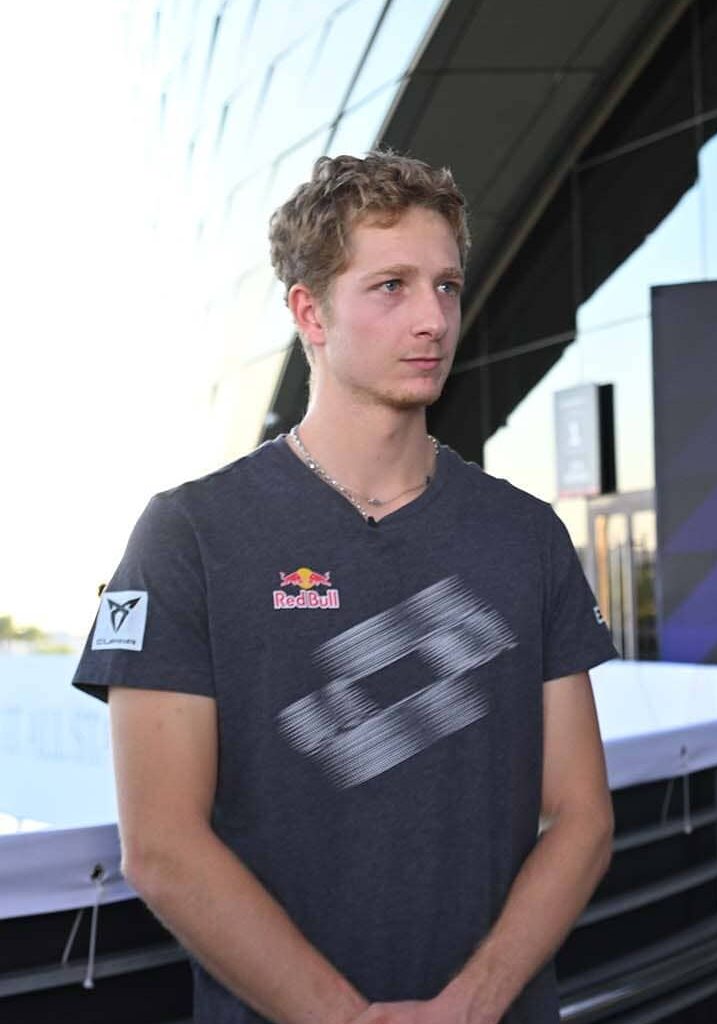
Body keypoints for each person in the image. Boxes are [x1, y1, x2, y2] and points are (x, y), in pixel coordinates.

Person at [73, 150, 621, 1024]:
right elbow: (164, 847)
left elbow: (582, 819)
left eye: (445, 285)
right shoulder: (189, 537)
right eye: (391, 286)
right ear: (310, 312)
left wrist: (472, 1006)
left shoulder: (526, 537)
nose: (433, 318)